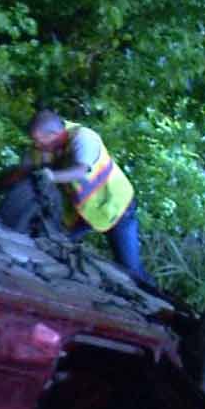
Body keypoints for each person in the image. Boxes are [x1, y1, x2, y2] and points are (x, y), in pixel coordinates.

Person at [27, 109, 154, 286]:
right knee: (53, 243)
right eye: (35, 142)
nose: (37, 146)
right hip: (84, 213)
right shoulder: (43, 149)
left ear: (55, 134)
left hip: (116, 208)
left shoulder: (84, 138)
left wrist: (51, 176)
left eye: (40, 142)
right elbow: (28, 173)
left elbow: (80, 171)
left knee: (131, 271)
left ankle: (158, 302)